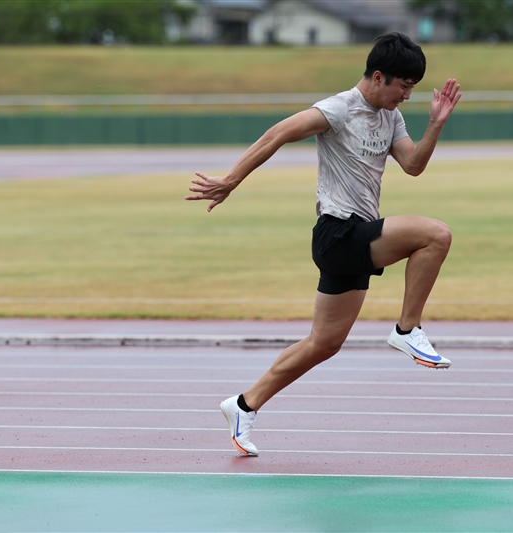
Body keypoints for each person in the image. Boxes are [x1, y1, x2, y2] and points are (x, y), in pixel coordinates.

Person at [186, 32, 461, 456]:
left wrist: (437, 123)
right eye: (403, 85)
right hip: (338, 232)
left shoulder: (392, 118)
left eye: (412, 87)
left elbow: (413, 166)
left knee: (324, 344)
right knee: (435, 234)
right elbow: (276, 133)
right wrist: (230, 180)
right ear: (377, 76)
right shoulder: (339, 109)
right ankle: (407, 329)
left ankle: (243, 405)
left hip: (354, 239)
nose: (407, 95)